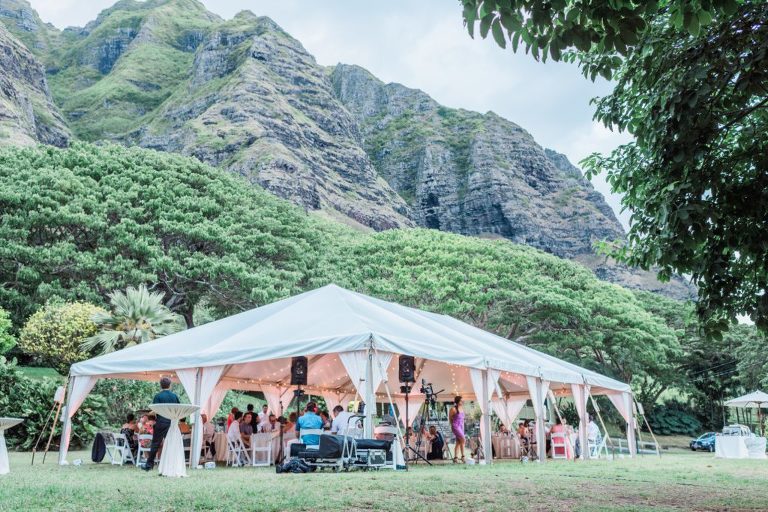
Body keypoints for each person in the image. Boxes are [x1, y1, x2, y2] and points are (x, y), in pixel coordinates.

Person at [141, 377, 180, 471]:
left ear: (160, 385)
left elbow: (155, 410)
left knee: (155, 444)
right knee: (171, 444)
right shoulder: (174, 396)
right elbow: (178, 409)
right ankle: (172, 464)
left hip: (161, 422)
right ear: (170, 385)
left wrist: (147, 414)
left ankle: (149, 466)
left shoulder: (158, 396)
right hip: (171, 423)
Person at [449, 395, 466, 463]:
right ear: (458, 401)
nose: (462, 401)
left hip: (461, 426)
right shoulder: (453, 409)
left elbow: (462, 419)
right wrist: (453, 426)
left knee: (458, 442)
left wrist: (462, 427)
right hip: (456, 426)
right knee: (463, 439)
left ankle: (455, 458)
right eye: (461, 400)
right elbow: (450, 419)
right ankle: (463, 456)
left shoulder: (462, 408)